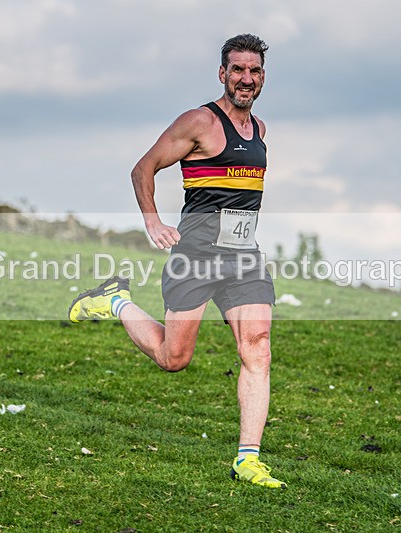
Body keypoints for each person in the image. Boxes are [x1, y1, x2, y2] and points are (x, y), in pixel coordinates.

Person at [69, 34, 285, 489]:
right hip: (197, 257)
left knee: (258, 347)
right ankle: (115, 301)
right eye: (238, 70)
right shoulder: (199, 122)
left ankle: (248, 459)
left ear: (262, 77)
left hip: (243, 258)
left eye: (255, 71)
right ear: (222, 73)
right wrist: (153, 221)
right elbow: (142, 168)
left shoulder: (260, 130)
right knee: (174, 358)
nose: (246, 78)